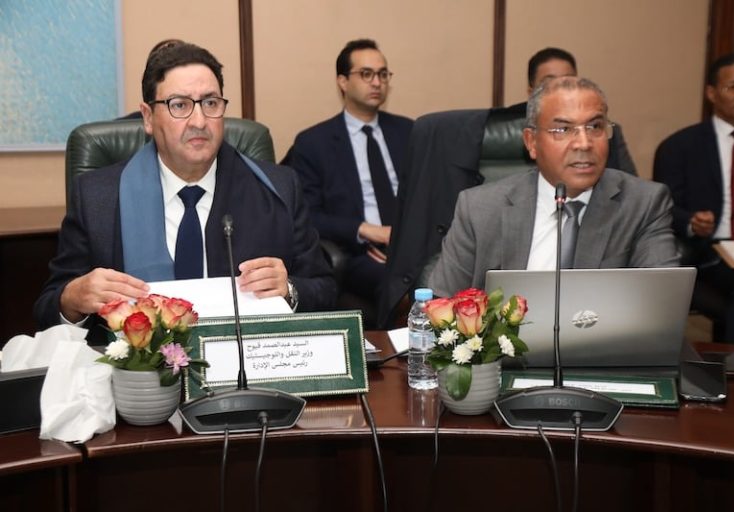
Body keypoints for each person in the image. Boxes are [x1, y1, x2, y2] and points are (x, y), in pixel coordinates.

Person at [34, 42, 336, 342]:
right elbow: (47, 309)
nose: (199, 121)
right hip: (133, 371)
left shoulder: (279, 188)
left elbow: (326, 290)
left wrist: (290, 290)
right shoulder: (97, 197)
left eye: (210, 103)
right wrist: (72, 299)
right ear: (148, 117)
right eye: (180, 105)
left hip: (250, 364)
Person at [428, 76, 678, 296]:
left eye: (595, 127)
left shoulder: (643, 204)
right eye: (563, 129)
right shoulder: (480, 209)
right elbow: (441, 307)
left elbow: (661, 305)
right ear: (531, 142)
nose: (584, 143)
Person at [286, 39, 413, 318]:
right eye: (366, 74)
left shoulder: (408, 132)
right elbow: (309, 216)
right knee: (399, 285)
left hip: (411, 246)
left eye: (382, 74)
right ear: (342, 81)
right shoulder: (314, 143)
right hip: (359, 252)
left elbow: (427, 195)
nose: (377, 82)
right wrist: (368, 230)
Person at [653, 53, 734, 345]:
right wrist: (692, 222)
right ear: (712, 93)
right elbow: (663, 208)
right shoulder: (680, 147)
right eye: (733, 86)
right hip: (716, 251)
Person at [509, 47, 637, 175]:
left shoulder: (606, 133)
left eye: (568, 82)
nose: (584, 144)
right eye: (549, 83)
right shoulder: (528, 135)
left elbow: (630, 183)